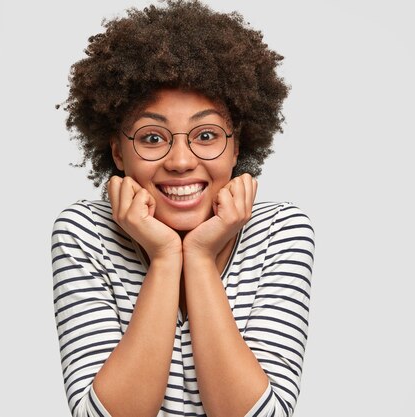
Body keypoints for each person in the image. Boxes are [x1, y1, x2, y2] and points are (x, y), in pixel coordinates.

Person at [51, 1, 315, 416]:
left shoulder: (281, 230)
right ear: (118, 150)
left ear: (237, 146)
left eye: (206, 134)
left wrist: (199, 255)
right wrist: (164, 257)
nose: (180, 160)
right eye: (152, 138)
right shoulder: (85, 232)